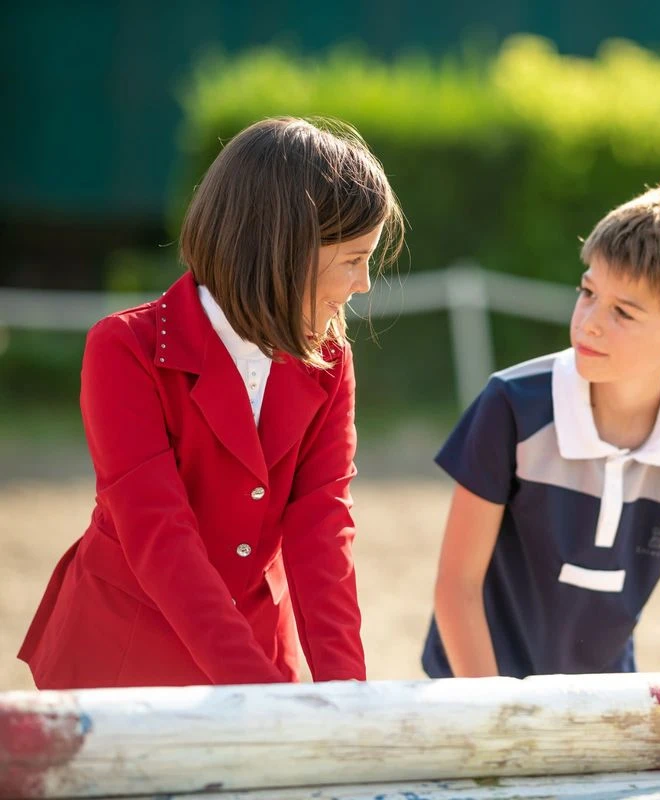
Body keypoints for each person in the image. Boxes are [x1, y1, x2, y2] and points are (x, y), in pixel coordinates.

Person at [19, 117, 404, 688]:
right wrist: (255, 690)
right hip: (122, 659)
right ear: (284, 249)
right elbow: (159, 536)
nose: (364, 283)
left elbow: (322, 527)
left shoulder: (330, 358)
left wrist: (347, 691)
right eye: (353, 259)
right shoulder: (124, 348)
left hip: (263, 649)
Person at [422, 183, 660, 678]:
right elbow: (457, 586)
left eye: (622, 312)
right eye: (588, 292)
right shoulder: (513, 404)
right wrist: (495, 712)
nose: (589, 322)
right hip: (475, 691)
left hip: (602, 701)